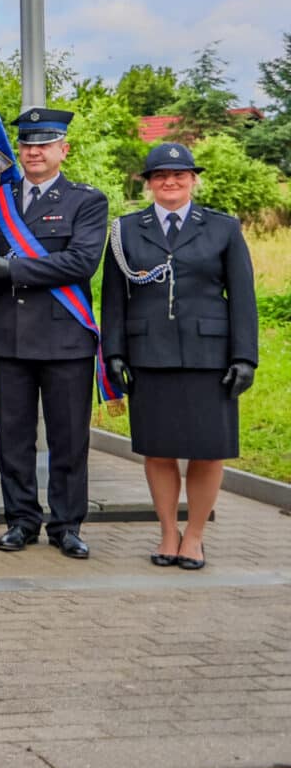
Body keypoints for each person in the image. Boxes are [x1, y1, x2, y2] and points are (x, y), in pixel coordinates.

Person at [101, 142, 259, 571]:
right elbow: (113, 298)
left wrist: (245, 357)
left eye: (179, 175)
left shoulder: (223, 228)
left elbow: (243, 297)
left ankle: (194, 537)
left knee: (208, 451)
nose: (170, 182)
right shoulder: (126, 230)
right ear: (148, 183)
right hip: (149, 355)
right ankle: (168, 532)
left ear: (193, 180)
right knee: (159, 450)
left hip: (211, 357)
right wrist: (113, 351)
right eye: (160, 176)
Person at [0, 107, 109, 558]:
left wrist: (10, 268)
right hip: (8, 337)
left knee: (67, 439)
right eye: (27, 144)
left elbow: (80, 262)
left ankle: (66, 524)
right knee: (13, 437)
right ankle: (22, 519)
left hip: (65, 339)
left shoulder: (87, 201)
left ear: (63, 149)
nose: (34, 152)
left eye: (44, 144)